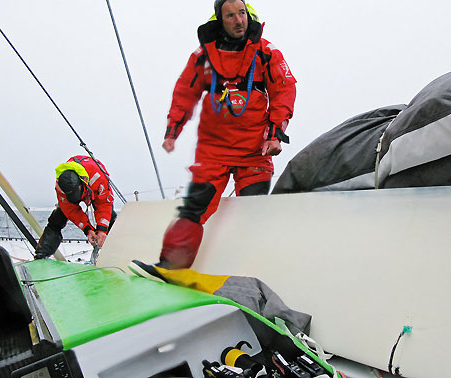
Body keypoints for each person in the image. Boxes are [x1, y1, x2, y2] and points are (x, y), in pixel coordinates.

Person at [130, 0, 296, 277]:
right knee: (194, 208)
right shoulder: (203, 56)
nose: (238, 20)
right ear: (221, 21)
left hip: (255, 152)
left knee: (253, 215)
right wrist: (173, 130)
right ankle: (171, 268)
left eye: (242, 13)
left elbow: (284, 89)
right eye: (230, 16)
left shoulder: (267, 52)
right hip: (214, 152)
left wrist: (277, 133)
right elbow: (185, 92)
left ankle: (257, 276)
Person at [34, 155, 117, 259]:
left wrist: (102, 230)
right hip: (78, 190)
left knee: (110, 219)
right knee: (57, 219)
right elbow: (71, 211)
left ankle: (116, 254)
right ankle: (41, 255)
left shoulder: (98, 177)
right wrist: (88, 229)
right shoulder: (61, 187)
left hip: (93, 189)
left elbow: (104, 204)